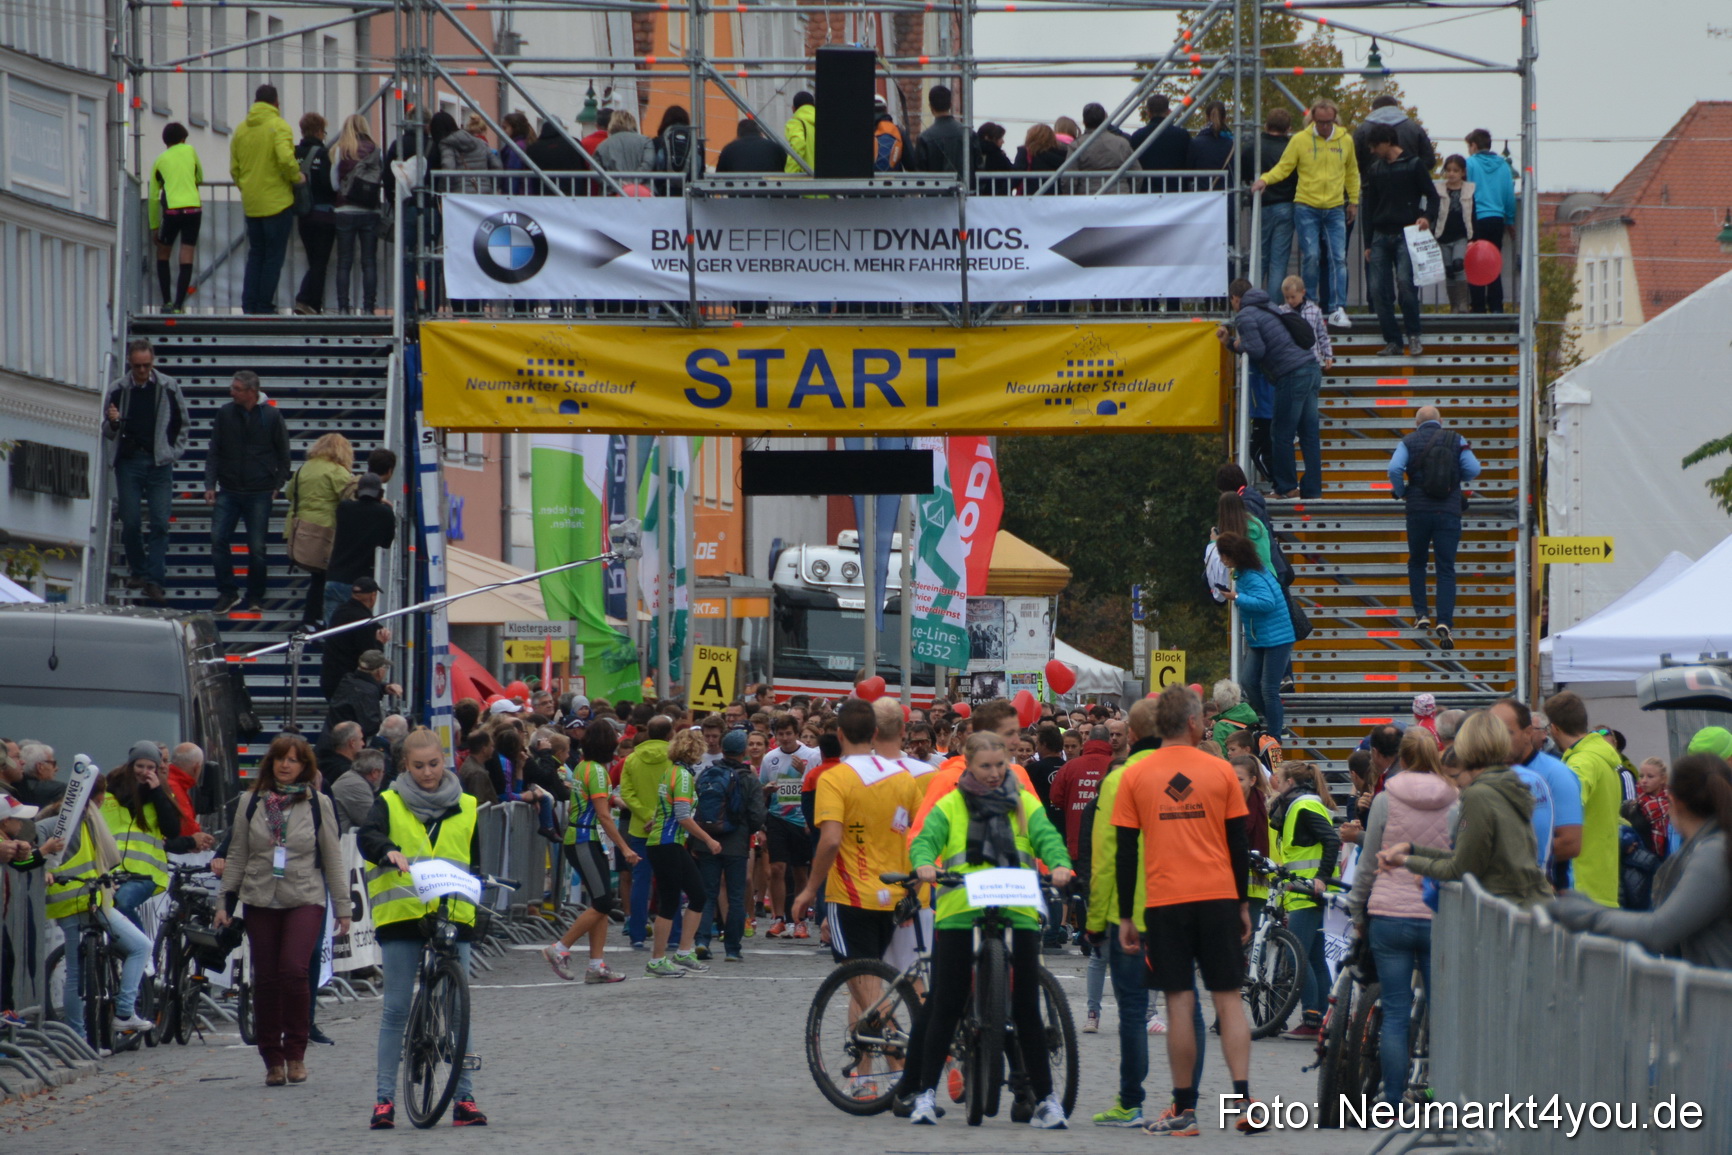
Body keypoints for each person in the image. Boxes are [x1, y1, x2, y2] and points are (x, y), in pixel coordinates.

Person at [1110, 685, 1261, 1136]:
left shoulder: (1135, 775)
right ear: (1196, 722)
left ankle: (1185, 1109)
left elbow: (1124, 851)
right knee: (1229, 1000)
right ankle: (1242, 1102)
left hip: (1166, 900)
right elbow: (1238, 844)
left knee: (1179, 1003)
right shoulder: (1220, 772)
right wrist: (1240, 902)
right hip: (1216, 896)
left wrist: (1125, 916)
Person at [905, 731, 1073, 1129]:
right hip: (961, 907)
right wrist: (925, 863)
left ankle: (1046, 1100)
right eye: (986, 766)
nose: (995, 773)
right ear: (968, 764)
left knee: (1028, 1008)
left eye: (1001, 765)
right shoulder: (949, 805)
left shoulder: (1025, 803)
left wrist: (1060, 864)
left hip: (1016, 907)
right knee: (946, 1002)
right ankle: (925, 1094)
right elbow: (925, 841)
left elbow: (1048, 839)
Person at [358, 729, 488, 1128]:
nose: (428, 773)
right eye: (418, 766)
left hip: (453, 913)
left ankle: (463, 1099)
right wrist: (386, 850)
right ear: (404, 767)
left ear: (444, 760)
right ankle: (384, 1101)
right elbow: (368, 837)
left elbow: (474, 859)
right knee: (396, 1008)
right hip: (403, 915)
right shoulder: (389, 801)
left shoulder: (466, 805)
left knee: (457, 1009)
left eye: (434, 764)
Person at [1087, 698, 1206, 1128]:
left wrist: (1095, 919)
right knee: (1186, 1003)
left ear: (1132, 736)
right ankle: (1185, 1102)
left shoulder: (1123, 778)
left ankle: (1130, 1101)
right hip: (1185, 903)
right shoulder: (1193, 773)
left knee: (1134, 1010)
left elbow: (1106, 854)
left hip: (1132, 912)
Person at [215, 734, 347, 1085]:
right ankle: (272, 1057)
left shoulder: (318, 804)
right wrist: (225, 899)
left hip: (305, 895)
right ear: (270, 763)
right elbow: (239, 853)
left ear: (305, 766)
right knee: (267, 978)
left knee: (293, 969)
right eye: (279, 759)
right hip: (260, 895)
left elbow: (333, 856)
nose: (285, 765)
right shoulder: (251, 802)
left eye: (293, 760)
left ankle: (296, 1052)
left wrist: (344, 907)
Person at [1348, 726, 1455, 1103]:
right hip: (1437, 914)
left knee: (1395, 1010)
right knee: (1442, 1011)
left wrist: (1357, 908)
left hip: (1389, 914)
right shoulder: (1455, 799)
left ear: (1402, 757)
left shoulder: (1385, 799)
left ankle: (1391, 1100)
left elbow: (1369, 860)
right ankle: (1438, 1094)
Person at [1550, 753, 1732, 969]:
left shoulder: (1713, 851)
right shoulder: (1712, 845)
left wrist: (1589, 915)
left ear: (1671, 799)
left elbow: (1659, 931)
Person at [1377, 710, 1554, 909]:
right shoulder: (1507, 783)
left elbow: (1460, 868)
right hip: (1530, 906)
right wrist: (1412, 850)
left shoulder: (1478, 794)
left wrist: (1405, 860)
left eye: (1456, 780)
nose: (1456, 787)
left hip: (1508, 913)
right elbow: (1469, 858)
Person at [43, 778, 154, 1039]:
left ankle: (77, 1037)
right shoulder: (77, 820)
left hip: (70, 903)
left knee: (74, 975)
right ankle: (124, 1012)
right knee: (140, 946)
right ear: (99, 796)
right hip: (87, 902)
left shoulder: (65, 818)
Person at [544, 724, 640, 982]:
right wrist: (625, 847)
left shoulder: (585, 766)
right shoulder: (597, 772)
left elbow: (597, 804)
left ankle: (596, 965)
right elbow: (604, 816)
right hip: (584, 838)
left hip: (585, 838)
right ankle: (559, 948)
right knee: (602, 903)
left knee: (602, 902)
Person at [1254, 98, 1359, 326]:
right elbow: (1284, 166)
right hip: (1306, 206)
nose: (1323, 127)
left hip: (1334, 206)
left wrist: (1353, 200)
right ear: (1312, 119)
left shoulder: (1346, 141)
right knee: (1311, 256)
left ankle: (1338, 307)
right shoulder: (1300, 140)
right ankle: (1310, 305)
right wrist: (1265, 179)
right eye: (1319, 122)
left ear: (1335, 119)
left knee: (1338, 257)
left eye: (1328, 122)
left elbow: (1352, 172)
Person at [1388, 405, 1483, 651]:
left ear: (1416, 423)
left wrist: (1401, 492)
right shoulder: (1456, 439)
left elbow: (1395, 469)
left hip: (1418, 511)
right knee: (1445, 568)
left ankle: (1421, 613)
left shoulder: (1408, 440)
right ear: (1441, 421)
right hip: (1448, 512)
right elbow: (1474, 469)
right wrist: (1452, 477)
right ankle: (1444, 621)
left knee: (1417, 562)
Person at [104, 338, 190, 605]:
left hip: (158, 463)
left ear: (153, 362)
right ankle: (139, 571)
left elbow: (182, 422)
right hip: (129, 462)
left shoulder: (167, 386)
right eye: (137, 366)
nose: (142, 370)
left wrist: (171, 453)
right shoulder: (118, 389)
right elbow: (106, 430)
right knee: (130, 521)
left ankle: (154, 579)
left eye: (146, 365)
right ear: (130, 363)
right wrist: (114, 423)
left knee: (160, 522)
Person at [1221, 278, 1322, 500]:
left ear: (1235, 299)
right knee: (1308, 435)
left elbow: (1256, 350)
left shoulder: (1245, 315)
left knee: (1281, 434)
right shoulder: (1270, 306)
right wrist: (1233, 343)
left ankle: (1286, 487)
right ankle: (1313, 489)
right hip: (1311, 368)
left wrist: (1236, 344)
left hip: (1291, 374)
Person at [203, 369, 291, 614]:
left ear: (252, 392)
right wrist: (210, 485)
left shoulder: (272, 416)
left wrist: (277, 485)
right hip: (229, 489)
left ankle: (255, 596)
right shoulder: (225, 413)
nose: (231, 392)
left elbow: (284, 454)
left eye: (237, 389)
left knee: (257, 548)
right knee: (218, 539)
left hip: (260, 491)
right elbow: (214, 451)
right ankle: (228, 592)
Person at [1267, 760, 1339, 1040]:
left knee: (1296, 955)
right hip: (1308, 891)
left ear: (1291, 783)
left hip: (1308, 891)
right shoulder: (1304, 803)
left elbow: (1331, 841)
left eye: (1280, 779)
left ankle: (1312, 1017)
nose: (1277, 783)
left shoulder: (1303, 805)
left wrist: (1320, 877)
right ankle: (1323, 1017)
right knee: (1315, 958)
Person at [641, 729, 720, 977]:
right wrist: (708, 839)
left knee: (696, 895)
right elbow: (683, 817)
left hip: (667, 842)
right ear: (695, 751)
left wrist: (656, 820)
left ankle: (683, 953)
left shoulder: (672, 772)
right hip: (667, 844)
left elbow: (668, 807)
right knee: (671, 902)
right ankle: (657, 959)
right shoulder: (683, 777)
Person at [1360, 122, 1440, 358]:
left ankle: (1413, 335)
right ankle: (1393, 340)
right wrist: (1367, 242)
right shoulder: (1375, 169)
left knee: (1406, 284)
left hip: (1407, 233)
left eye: (1375, 146)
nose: (1373, 151)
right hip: (1380, 235)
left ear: (1387, 142)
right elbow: (1369, 207)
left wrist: (1426, 217)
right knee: (1377, 290)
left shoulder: (1413, 165)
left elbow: (1433, 196)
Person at [1542, 691, 1624, 908]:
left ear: (1555, 728)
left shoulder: (1582, 763)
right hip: (1600, 884)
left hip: (1580, 884)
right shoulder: (1600, 759)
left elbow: (1563, 813)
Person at [689, 728, 764, 962]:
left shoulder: (707, 773)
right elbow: (757, 815)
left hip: (707, 840)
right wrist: (746, 831)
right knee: (735, 896)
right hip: (736, 843)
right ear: (743, 751)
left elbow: (696, 805)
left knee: (708, 894)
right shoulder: (748, 777)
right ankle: (732, 947)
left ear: (722, 749)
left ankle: (701, 940)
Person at [230, 85, 304, 314]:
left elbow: (235, 169)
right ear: (276, 103)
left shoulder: (241, 130)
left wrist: (248, 188)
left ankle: (249, 304)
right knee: (273, 257)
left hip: (252, 204)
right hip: (277, 201)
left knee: (256, 255)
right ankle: (264, 305)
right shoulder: (279, 125)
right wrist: (296, 176)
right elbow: (284, 157)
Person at [1216, 531, 1295, 740]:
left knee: (1268, 688)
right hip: (1261, 636)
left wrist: (1237, 597)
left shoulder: (1250, 575)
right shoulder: (1248, 571)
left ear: (1235, 555)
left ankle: (1276, 734)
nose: (1223, 559)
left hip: (1277, 637)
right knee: (1249, 681)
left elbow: (1267, 602)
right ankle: (1274, 722)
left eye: (1225, 555)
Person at [102, 742, 190, 927]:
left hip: (145, 874)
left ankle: (141, 950)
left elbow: (172, 831)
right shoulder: (111, 791)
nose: (144, 772)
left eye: (151, 767)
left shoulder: (161, 793)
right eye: (140, 766)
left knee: (122, 903)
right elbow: (128, 803)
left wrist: (157, 792)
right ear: (130, 766)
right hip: (110, 871)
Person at [283, 432, 353, 629]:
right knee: (327, 577)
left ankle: (311, 619)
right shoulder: (336, 471)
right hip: (325, 532)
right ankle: (318, 619)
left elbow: (289, 494)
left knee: (318, 577)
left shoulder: (304, 468)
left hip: (300, 531)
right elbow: (350, 497)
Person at [760, 712, 819, 938]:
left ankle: (800, 920)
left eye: (788, 734)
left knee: (800, 871)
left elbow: (818, 784)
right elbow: (761, 788)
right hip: (777, 818)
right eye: (780, 734)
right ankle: (778, 918)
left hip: (802, 819)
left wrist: (805, 773)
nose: (784, 738)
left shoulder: (810, 755)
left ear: (796, 734)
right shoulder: (769, 758)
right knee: (777, 869)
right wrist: (767, 790)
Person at [619, 715, 676, 948]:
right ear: (670, 734)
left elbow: (627, 793)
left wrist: (645, 815)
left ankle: (637, 935)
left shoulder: (631, 760)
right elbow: (679, 791)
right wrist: (660, 817)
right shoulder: (674, 759)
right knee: (671, 881)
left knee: (640, 882)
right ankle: (673, 936)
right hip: (669, 829)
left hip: (640, 828)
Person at [323, 472, 395, 621]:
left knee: (332, 636)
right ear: (380, 493)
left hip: (335, 578)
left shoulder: (343, 508)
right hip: (360, 584)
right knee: (356, 634)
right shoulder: (385, 514)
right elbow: (386, 543)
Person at [149, 122, 203, 313]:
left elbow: (154, 197)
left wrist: (154, 225)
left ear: (165, 142)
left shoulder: (160, 160)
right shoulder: (190, 151)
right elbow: (200, 177)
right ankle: (180, 305)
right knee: (186, 254)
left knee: (163, 252)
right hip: (193, 209)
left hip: (171, 211)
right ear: (183, 139)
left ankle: (167, 302)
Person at [332, 113, 383, 314]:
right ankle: (369, 308)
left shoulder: (340, 150)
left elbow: (334, 183)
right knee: (369, 262)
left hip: (345, 210)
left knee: (344, 262)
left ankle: (344, 307)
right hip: (370, 211)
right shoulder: (376, 151)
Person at [1244, 108, 1296, 297]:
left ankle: (1255, 303)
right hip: (1286, 205)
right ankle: (1275, 308)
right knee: (1279, 262)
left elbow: (1243, 174)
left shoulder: (1253, 146)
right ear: (1288, 128)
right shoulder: (1291, 147)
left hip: (1261, 205)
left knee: (1259, 259)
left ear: (1266, 125)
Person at [1464, 129, 1514, 314]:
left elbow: (1465, 194)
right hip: (1496, 220)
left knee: (1474, 263)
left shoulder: (1470, 164)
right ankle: (1496, 306)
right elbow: (1509, 195)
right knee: (1493, 263)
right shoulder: (1503, 166)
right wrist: (1509, 220)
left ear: (1474, 145)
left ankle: (1477, 307)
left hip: (1476, 219)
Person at [292, 113, 337, 314]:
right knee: (320, 263)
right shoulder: (324, 154)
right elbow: (330, 184)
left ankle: (309, 302)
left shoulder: (294, 153)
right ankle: (308, 302)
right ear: (319, 131)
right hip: (324, 215)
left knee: (313, 260)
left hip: (303, 215)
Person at [1050, 725, 1112, 863]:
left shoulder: (1070, 766)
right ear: (1108, 742)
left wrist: (1073, 803)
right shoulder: (1116, 766)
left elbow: (1056, 798)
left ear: (1088, 740)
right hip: (1108, 840)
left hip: (1076, 838)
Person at [321, 575, 388, 698]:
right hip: (351, 685)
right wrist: (379, 643)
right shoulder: (363, 621)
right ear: (373, 596)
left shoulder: (340, 611)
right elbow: (370, 658)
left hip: (331, 679)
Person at [1352, 93, 1436, 179]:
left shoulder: (1362, 130)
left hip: (1372, 186)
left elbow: (1352, 163)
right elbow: (1429, 161)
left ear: (1373, 109)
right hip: (1408, 186)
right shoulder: (1414, 128)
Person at [323, 650, 402, 741]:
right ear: (380, 671)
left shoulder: (347, 680)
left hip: (330, 740)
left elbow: (361, 684)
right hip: (345, 746)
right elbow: (371, 727)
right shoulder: (367, 692)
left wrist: (384, 687)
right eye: (386, 668)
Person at [1432, 154, 1476, 313]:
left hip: (1460, 235)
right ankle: (1454, 304)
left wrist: (1473, 236)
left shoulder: (1468, 190)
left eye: (1455, 171)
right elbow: (1434, 211)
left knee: (1458, 263)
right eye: (1448, 170)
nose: (1451, 174)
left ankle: (1464, 302)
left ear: (1462, 172)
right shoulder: (1439, 190)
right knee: (1448, 268)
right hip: (1443, 235)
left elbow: (1472, 213)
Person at [1073, 102, 1133, 192]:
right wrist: (1132, 194)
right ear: (1105, 120)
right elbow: (1136, 171)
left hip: (1087, 197)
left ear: (1084, 122)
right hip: (1119, 195)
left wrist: (1071, 197)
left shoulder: (1076, 145)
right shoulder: (1122, 143)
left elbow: (1069, 178)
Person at [1128, 93, 1189, 180]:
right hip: (1176, 188)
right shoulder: (1182, 135)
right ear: (1168, 112)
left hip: (1146, 188)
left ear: (1148, 113)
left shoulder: (1138, 136)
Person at [593, 109, 656, 177]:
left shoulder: (603, 145)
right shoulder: (646, 141)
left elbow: (595, 169)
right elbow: (648, 163)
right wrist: (635, 180)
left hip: (613, 186)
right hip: (642, 186)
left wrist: (614, 183)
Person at [333, 747, 384, 832]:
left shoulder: (353, 778)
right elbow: (374, 822)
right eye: (383, 772)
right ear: (375, 773)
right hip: (344, 841)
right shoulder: (356, 785)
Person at [715, 118, 787, 174]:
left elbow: (719, 176)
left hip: (740, 191)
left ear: (738, 135)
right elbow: (787, 168)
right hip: (770, 191)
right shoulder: (775, 147)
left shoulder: (728, 150)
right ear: (760, 133)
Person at [1185, 99, 1234, 177]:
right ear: (1225, 118)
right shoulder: (1232, 144)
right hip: (1227, 187)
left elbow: (1189, 167)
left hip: (1202, 187)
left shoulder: (1196, 143)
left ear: (1206, 117)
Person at [783, 92, 816, 174]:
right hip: (829, 180)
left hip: (807, 179)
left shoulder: (796, 123)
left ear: (793, 109)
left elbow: (798, 143)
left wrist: (790, 174)